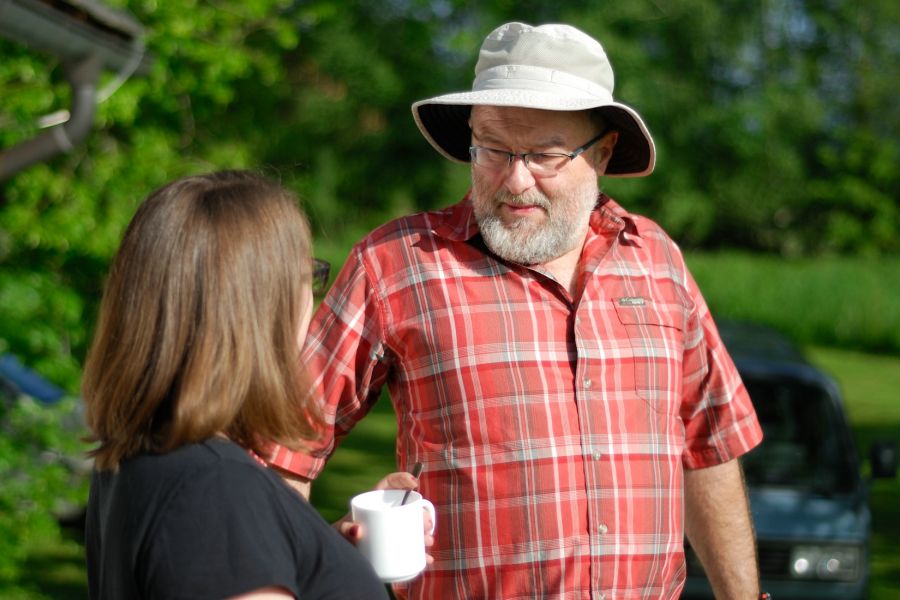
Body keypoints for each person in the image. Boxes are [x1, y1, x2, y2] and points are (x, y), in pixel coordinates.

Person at [269, 22, 765, 600]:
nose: (515, 178)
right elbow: (281, 444)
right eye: (493, 149)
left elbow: (710, 444)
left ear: (602, 152)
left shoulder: (657, 260)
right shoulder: (396, 264)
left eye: (544, 155)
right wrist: (312, 566)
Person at [81, 171, 414, 600]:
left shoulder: (145, 451)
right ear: (264, 309)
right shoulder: (215, 489)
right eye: (309, 277)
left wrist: (326, 554)